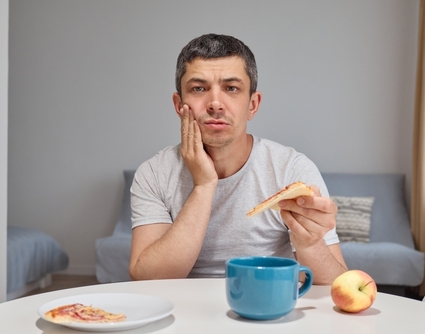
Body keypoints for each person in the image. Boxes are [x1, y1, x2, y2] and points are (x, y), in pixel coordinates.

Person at [129, 33, 347, 284]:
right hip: (183, 315)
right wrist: (203, 185)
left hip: (263, 313)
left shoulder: (291, 169)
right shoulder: (154, 173)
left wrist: (309, 244)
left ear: (253, 105)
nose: (215, 104)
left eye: (231, 88)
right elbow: (147, 278)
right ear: (179, 105)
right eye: (199, 88)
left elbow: (337, 284)